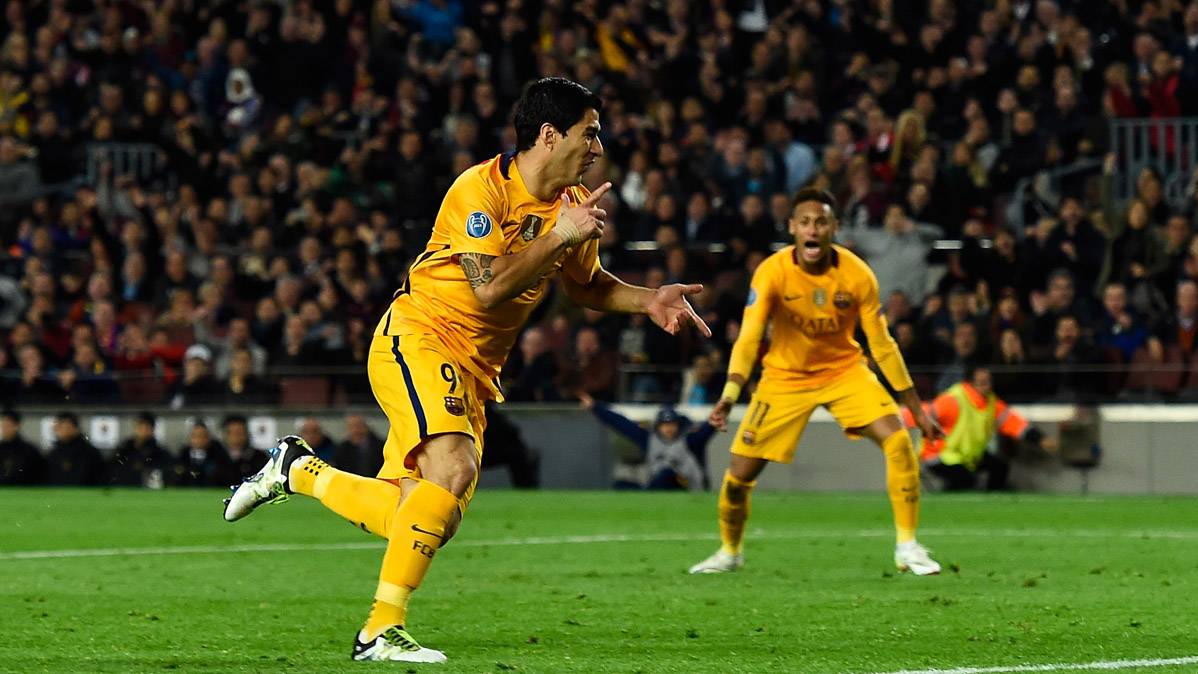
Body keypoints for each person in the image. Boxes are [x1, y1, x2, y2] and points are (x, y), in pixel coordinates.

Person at [223, 77, 710, 663]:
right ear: (549, 135)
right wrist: (560, 234)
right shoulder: (480, 190)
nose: (598, 147)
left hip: (476, 369)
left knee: (424, 513)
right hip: (420, 336)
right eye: (589, 133)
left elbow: (585, 286)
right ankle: (379, 631)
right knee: (453, 468)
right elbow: (488, 288)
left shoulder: (572, 203)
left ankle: (299, 472)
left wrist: (649, 298)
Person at [688, 187, 944, 577]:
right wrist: (730, 393)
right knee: (739, 475)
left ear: (834, 228)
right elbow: (749, 338)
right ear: (792, 227)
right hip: (784, 378)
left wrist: (916, 410)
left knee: (898, 441)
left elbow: (882, 345)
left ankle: (908, 547)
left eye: (821, 222)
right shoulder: (772, 272)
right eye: (805, 222)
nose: (813, 229)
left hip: (844, 371)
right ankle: (729, 552)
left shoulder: (857, 274)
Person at [910, 364, 1056, 491]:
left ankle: (992, 500)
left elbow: (1014, 423)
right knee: (965, 480)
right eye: (982, 382)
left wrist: (1040, 439)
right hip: (939, 455)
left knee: (1000, 467)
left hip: (966, 455)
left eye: (988, 381)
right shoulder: (953, 399)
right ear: (970, 383)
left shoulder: (991, 402)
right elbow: (923, 415)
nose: (987, 386)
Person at [579, 391, 712, 490]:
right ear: (658, 426)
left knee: (667, 473)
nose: (669, 428)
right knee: (620, 485)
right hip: (658, 486)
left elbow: (708, 429)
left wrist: (715, 418)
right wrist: (595, 407)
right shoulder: (649, 439)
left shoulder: (690, 440)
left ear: (678, 425)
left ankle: (648, 491)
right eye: (665, 424)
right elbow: (622, 424)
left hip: (686, 487)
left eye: (672, 424)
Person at [109, 412, 173, 487]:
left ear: (152, 429)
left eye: (147, 427)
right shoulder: (125, 449)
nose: (143, 431)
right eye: (141, 427)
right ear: (136, 428)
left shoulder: (160, 452)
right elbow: (113, 468)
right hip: (125, 488)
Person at [45, 412, 106, 486]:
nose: (61, 431)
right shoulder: (54, 453)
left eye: (66, 427)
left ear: (75, 428)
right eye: (58, 427)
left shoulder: (90, 453)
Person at [0, 409, 45, 485]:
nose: (4, 428)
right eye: (2, 425)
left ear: (17, 426)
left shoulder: (30, 451)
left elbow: (39, 475)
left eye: (8, 425)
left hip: (24, 490)